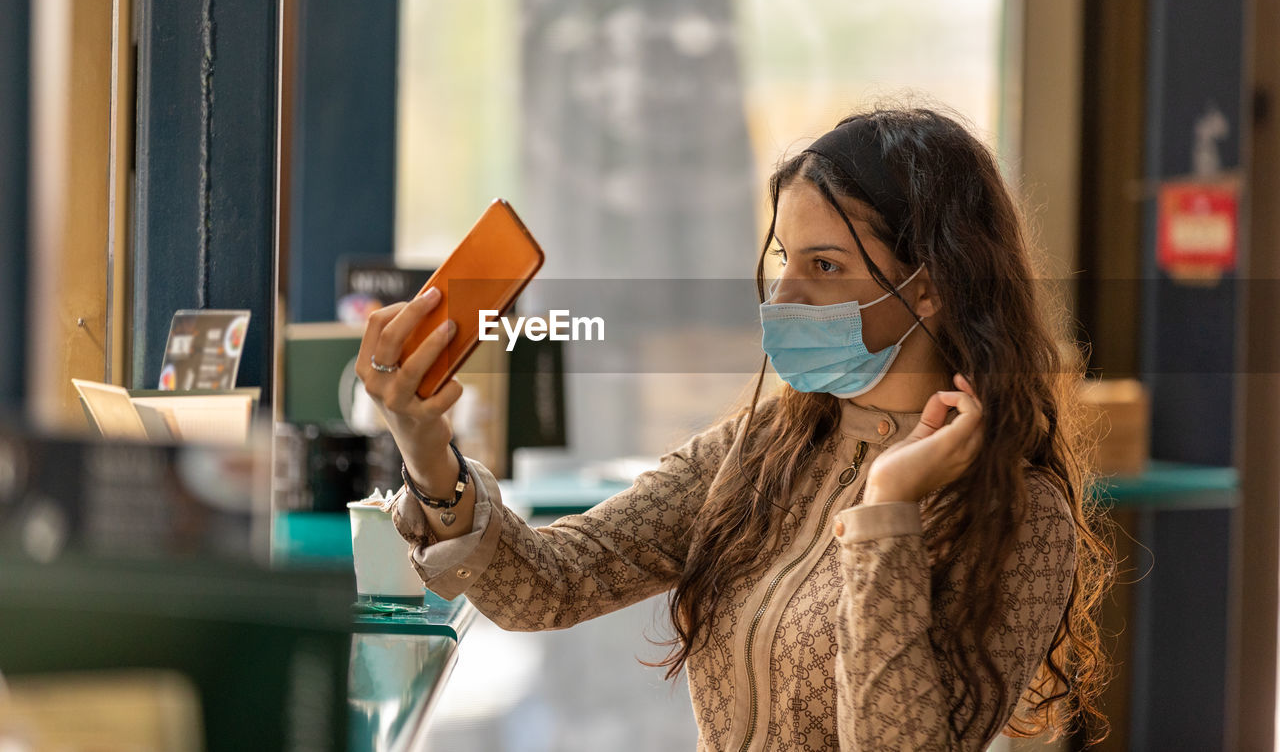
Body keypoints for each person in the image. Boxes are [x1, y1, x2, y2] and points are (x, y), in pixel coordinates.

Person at [356, 106, 1114, 750]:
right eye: (783, 256)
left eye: (824, 266)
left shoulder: (1020, 513)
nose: (781, 292)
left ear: (931, 288)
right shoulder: (759, 450)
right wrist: (427, 453)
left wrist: (887, 508)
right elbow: (549, 586)